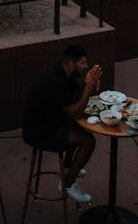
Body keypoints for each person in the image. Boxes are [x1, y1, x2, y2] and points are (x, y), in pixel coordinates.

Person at [22, 44, 102, 205]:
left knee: (82, 128)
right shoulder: (55, 80)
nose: (86, 66)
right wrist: (88, 86)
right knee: (88, 141)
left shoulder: (65, 72)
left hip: (52, 122)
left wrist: (90, 87)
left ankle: (67, 167)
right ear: (71, 63)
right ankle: (68, 183)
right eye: (83, 63)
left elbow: (77, 97)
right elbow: (75, 112)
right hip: (40, 132)